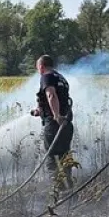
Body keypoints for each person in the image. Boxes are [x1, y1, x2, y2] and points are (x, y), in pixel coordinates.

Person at [30, 54, 75, 192]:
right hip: (66, 123)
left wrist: (56, 115)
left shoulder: (46, 76)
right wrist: (40, 110)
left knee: (51, 157)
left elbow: (51, 95)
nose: (38, 71)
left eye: (38, 68)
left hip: (55, 123)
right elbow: (59, 98)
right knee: (64, 155)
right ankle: (70, 188)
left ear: (41, 66)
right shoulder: (60, 77)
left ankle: (58, 191)